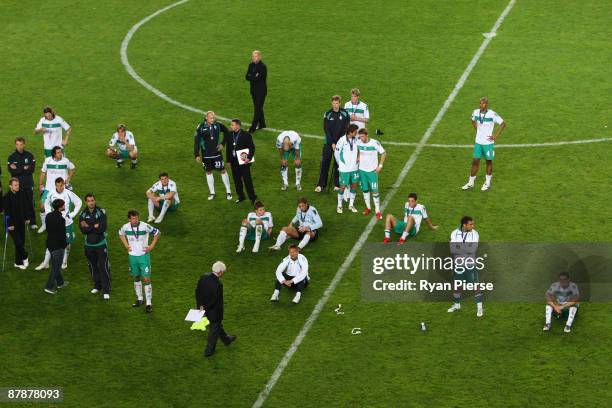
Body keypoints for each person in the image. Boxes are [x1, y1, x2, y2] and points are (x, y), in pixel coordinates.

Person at [118, 210, 161, 313]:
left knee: (146, 279)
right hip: (132, 257)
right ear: (129, 219)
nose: (135, 220)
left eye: (136, 218)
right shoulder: (126, 227)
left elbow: (157, 233)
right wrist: (126, 245)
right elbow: (120, 234)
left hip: (143, 256)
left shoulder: (145, 226)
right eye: (133, 218)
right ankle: (140, 299)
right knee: (136, 277)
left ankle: (149, 303)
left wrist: (151, 246)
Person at [36, 177, 82, 270]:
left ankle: (64, 261)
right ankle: (46, 262)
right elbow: (46, 203)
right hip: (55, 222)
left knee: (67, 242)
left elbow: (79, 202)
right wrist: (49, 213)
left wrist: (72, 214)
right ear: (55, 185)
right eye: (58, 185)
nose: (60, 187)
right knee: (51, 241)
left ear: (64, 185)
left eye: (61, 185)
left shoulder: (69, 193)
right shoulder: (51, 193)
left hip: (67, 223)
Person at [461, 97, 506, 191]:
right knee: (475, 161)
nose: (481, 105)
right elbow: (472, 120)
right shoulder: (475, 112)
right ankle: (471, 183)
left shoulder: (492, 114)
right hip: (478, 142)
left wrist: (495, 136)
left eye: (483, 104)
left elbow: (503, 124)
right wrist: (477, 129)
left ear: (487, 104)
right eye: (480, 103)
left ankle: (487, 183)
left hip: (488, 144)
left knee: (488, 162)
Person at [195, 261, 237, 357]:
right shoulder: (218, 284)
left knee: (217, 326)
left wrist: (201, 305)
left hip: (203, 307)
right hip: (214, 312)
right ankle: (209, 351)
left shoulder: (203, 277)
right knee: (214, 330)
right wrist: (205, 308)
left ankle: (227, 339)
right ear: (220, 272)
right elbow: (214, 301)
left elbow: (198, 291)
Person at [448, 216, 483, 317]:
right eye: (471, 224)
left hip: (470, 263)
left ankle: (479, 308)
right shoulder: (454, 233)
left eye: (473, 224)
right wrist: (465, 248)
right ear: (464, 225)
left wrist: (459, 247)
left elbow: (472, 250)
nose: (473, 226)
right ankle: (457, 305)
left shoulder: (475, 234)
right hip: (458, 263)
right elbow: (452, 249)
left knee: (475, 285)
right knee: (457, 285)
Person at [193, 111, 232, 200]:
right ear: (206, 117)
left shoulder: (218, 125)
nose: (213, 119)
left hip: (216, 153)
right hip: (206, 154)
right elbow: (197, 141)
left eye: (214, 117)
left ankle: (228, 192)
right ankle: (212, 193)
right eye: (211, 118)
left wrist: (223, 144)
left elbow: (227, 132)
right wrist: (196, 154)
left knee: (222, 170)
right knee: (208, 172)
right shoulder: (201, 127)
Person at [79, 193, 111, 300]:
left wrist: (89, 226)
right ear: (86, 202)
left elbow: (102, 227)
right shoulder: (82, 214)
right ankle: (98, 285)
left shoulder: (101, 212)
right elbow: (83, 230)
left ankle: (106, 290)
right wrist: (94, 226)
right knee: (92, 266)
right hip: (89, 245)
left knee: (103, 266)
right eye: (89, 201)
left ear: (94, 200)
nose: (91, 202)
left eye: (92, 200)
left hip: (101, 245)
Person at [316, 95, 350, 192]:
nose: (335, 105)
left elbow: (345, 129)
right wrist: (332, 143)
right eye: (333, 103)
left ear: (340, 103)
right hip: (328, 143)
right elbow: (326, 130)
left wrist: (338, 143)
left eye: (337, 103)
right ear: (332, 103)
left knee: (337, 164)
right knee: (325, 163)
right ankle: (321, 184)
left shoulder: (345, 114)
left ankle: (337, 184)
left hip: (340, 144)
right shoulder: (327, 114)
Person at [38, 146, 75, 233]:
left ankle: (64, 224)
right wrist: (40, 184)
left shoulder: (65, 161)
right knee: (42, 205)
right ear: (54, 154)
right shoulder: (48, 160)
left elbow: (73, 169)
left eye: (61, 152)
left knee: (63, 207)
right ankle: (44, 225)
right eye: (58, 152)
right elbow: (43, 172)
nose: (60, 154)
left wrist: (68, 179)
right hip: (49, 188)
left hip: (61, 188)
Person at [221, 119, 257, 204]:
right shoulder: (230, 134)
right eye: (231, 125)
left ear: (238, 125)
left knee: (247, 180)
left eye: (233, 125)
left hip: (243, 161)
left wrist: (249, 157)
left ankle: (253, 198)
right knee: (237, 180)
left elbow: (252, 147)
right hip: (234, 161)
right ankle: (241, 196)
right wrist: (228, 161)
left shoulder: (246, 135)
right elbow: (228, 149)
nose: (231, 126)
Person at [357, 128, 386, 219]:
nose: (361, 138)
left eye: (362, 136)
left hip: (372, 171)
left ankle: (377, 211)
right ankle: (368, 208)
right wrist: (358, 157)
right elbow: (358, 150)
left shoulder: (375, 143)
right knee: (365, 189)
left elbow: (384, 153)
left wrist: (380, 166)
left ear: (366, 135)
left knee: (375, 191)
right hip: (362, 171)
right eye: (360, 136)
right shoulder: (359, 142)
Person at [7, 137, 36, 228]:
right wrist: (24, 168)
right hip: (16, 186)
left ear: (24, 145)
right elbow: (12, 171)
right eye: (17, 144)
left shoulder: (30, 155)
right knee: (17, 205)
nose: (19, 146)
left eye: (21, 144)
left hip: (28, 184)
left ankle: (32, 222)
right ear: (15, 145)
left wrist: (18, 168)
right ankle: (19, 222)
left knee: (29, 203)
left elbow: (31, 169)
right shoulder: (11, 157)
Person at [43, 199, 69, 295]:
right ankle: (48, 287)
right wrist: (65, 244)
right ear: (60, 207)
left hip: (49, 243)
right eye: (63, 205)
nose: (64, 206)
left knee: (55, 264)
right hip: (58, 246)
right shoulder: (61, 219)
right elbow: (62, 234)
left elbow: (48, 229)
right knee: (56, 267)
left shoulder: (48, 216)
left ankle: (60, 283)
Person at [3, 178, 30, 269]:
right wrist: (9, 225)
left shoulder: (21, 194)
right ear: (10, 186)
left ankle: (18, 262)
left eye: (18, 185)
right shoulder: (6, 197)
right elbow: (7, 213)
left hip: (21, 222)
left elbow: (25, 207)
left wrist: (27, 218)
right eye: (15, 185)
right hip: (11, 225)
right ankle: (25, 256)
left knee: (21, 243)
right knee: (18, 242)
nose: (17, 187)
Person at [335, 124, 360, 213]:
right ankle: (339, 206)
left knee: (354, 186)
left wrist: (358, 158)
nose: (356, 133)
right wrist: (341, 164)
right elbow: (337, 154)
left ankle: (351, 205)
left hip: (354, 168)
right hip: (344, 169)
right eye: (355, 132)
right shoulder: (342, 140)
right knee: (342, 187)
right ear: (350, 132)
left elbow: (360, 150)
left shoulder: (356, 140)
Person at [245, 50, 267, 133]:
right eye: (253, 56)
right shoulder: (251, 65)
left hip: (261, 92)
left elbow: (256, 78)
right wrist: (253, 76)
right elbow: (247, 76)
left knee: (257, 109)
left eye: (255, 56)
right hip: (253, 91)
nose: (253, 58)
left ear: (259, 57)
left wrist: (252, 76)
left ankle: (252, 128)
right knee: (258, 107)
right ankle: (262, 124)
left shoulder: (262, 67)